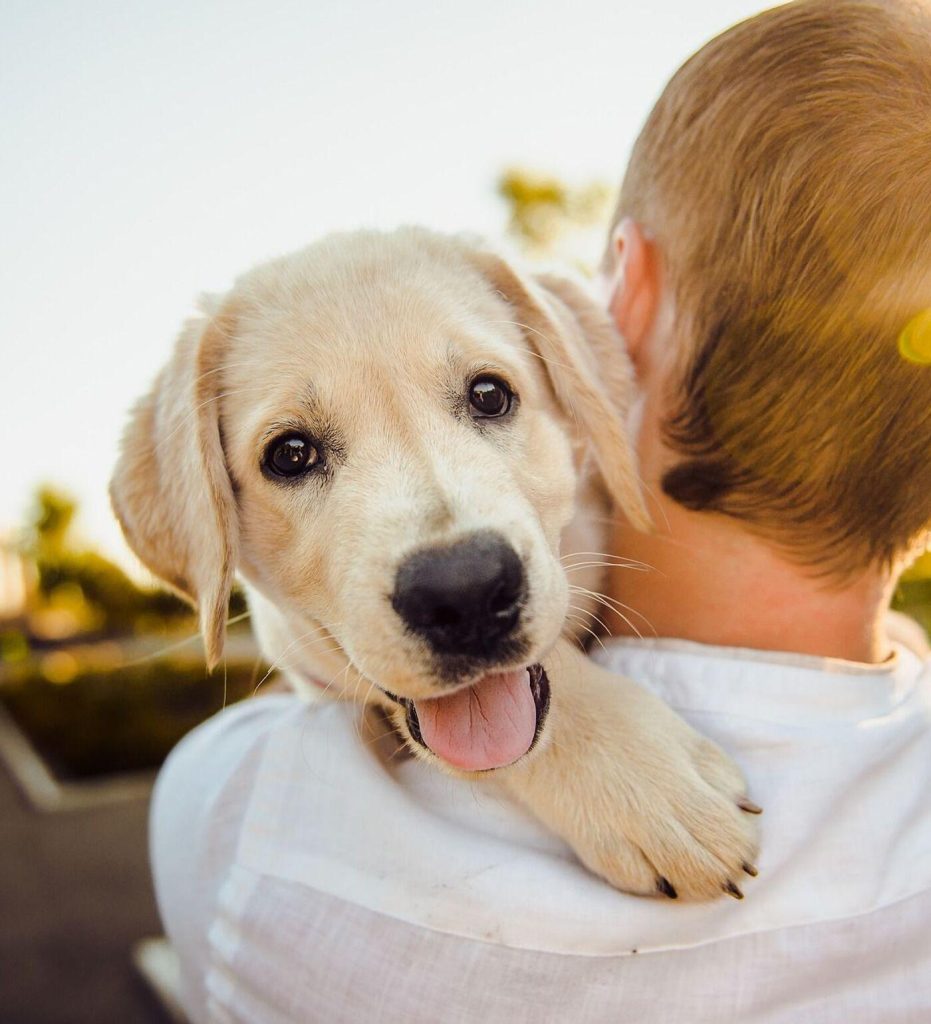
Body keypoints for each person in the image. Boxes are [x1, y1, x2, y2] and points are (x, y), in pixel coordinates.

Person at [150, 2, 931, 1020]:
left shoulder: (240, 822)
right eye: (294, 453)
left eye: (485, 397)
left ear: (622, 308)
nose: (449, 551)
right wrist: (565, 723)